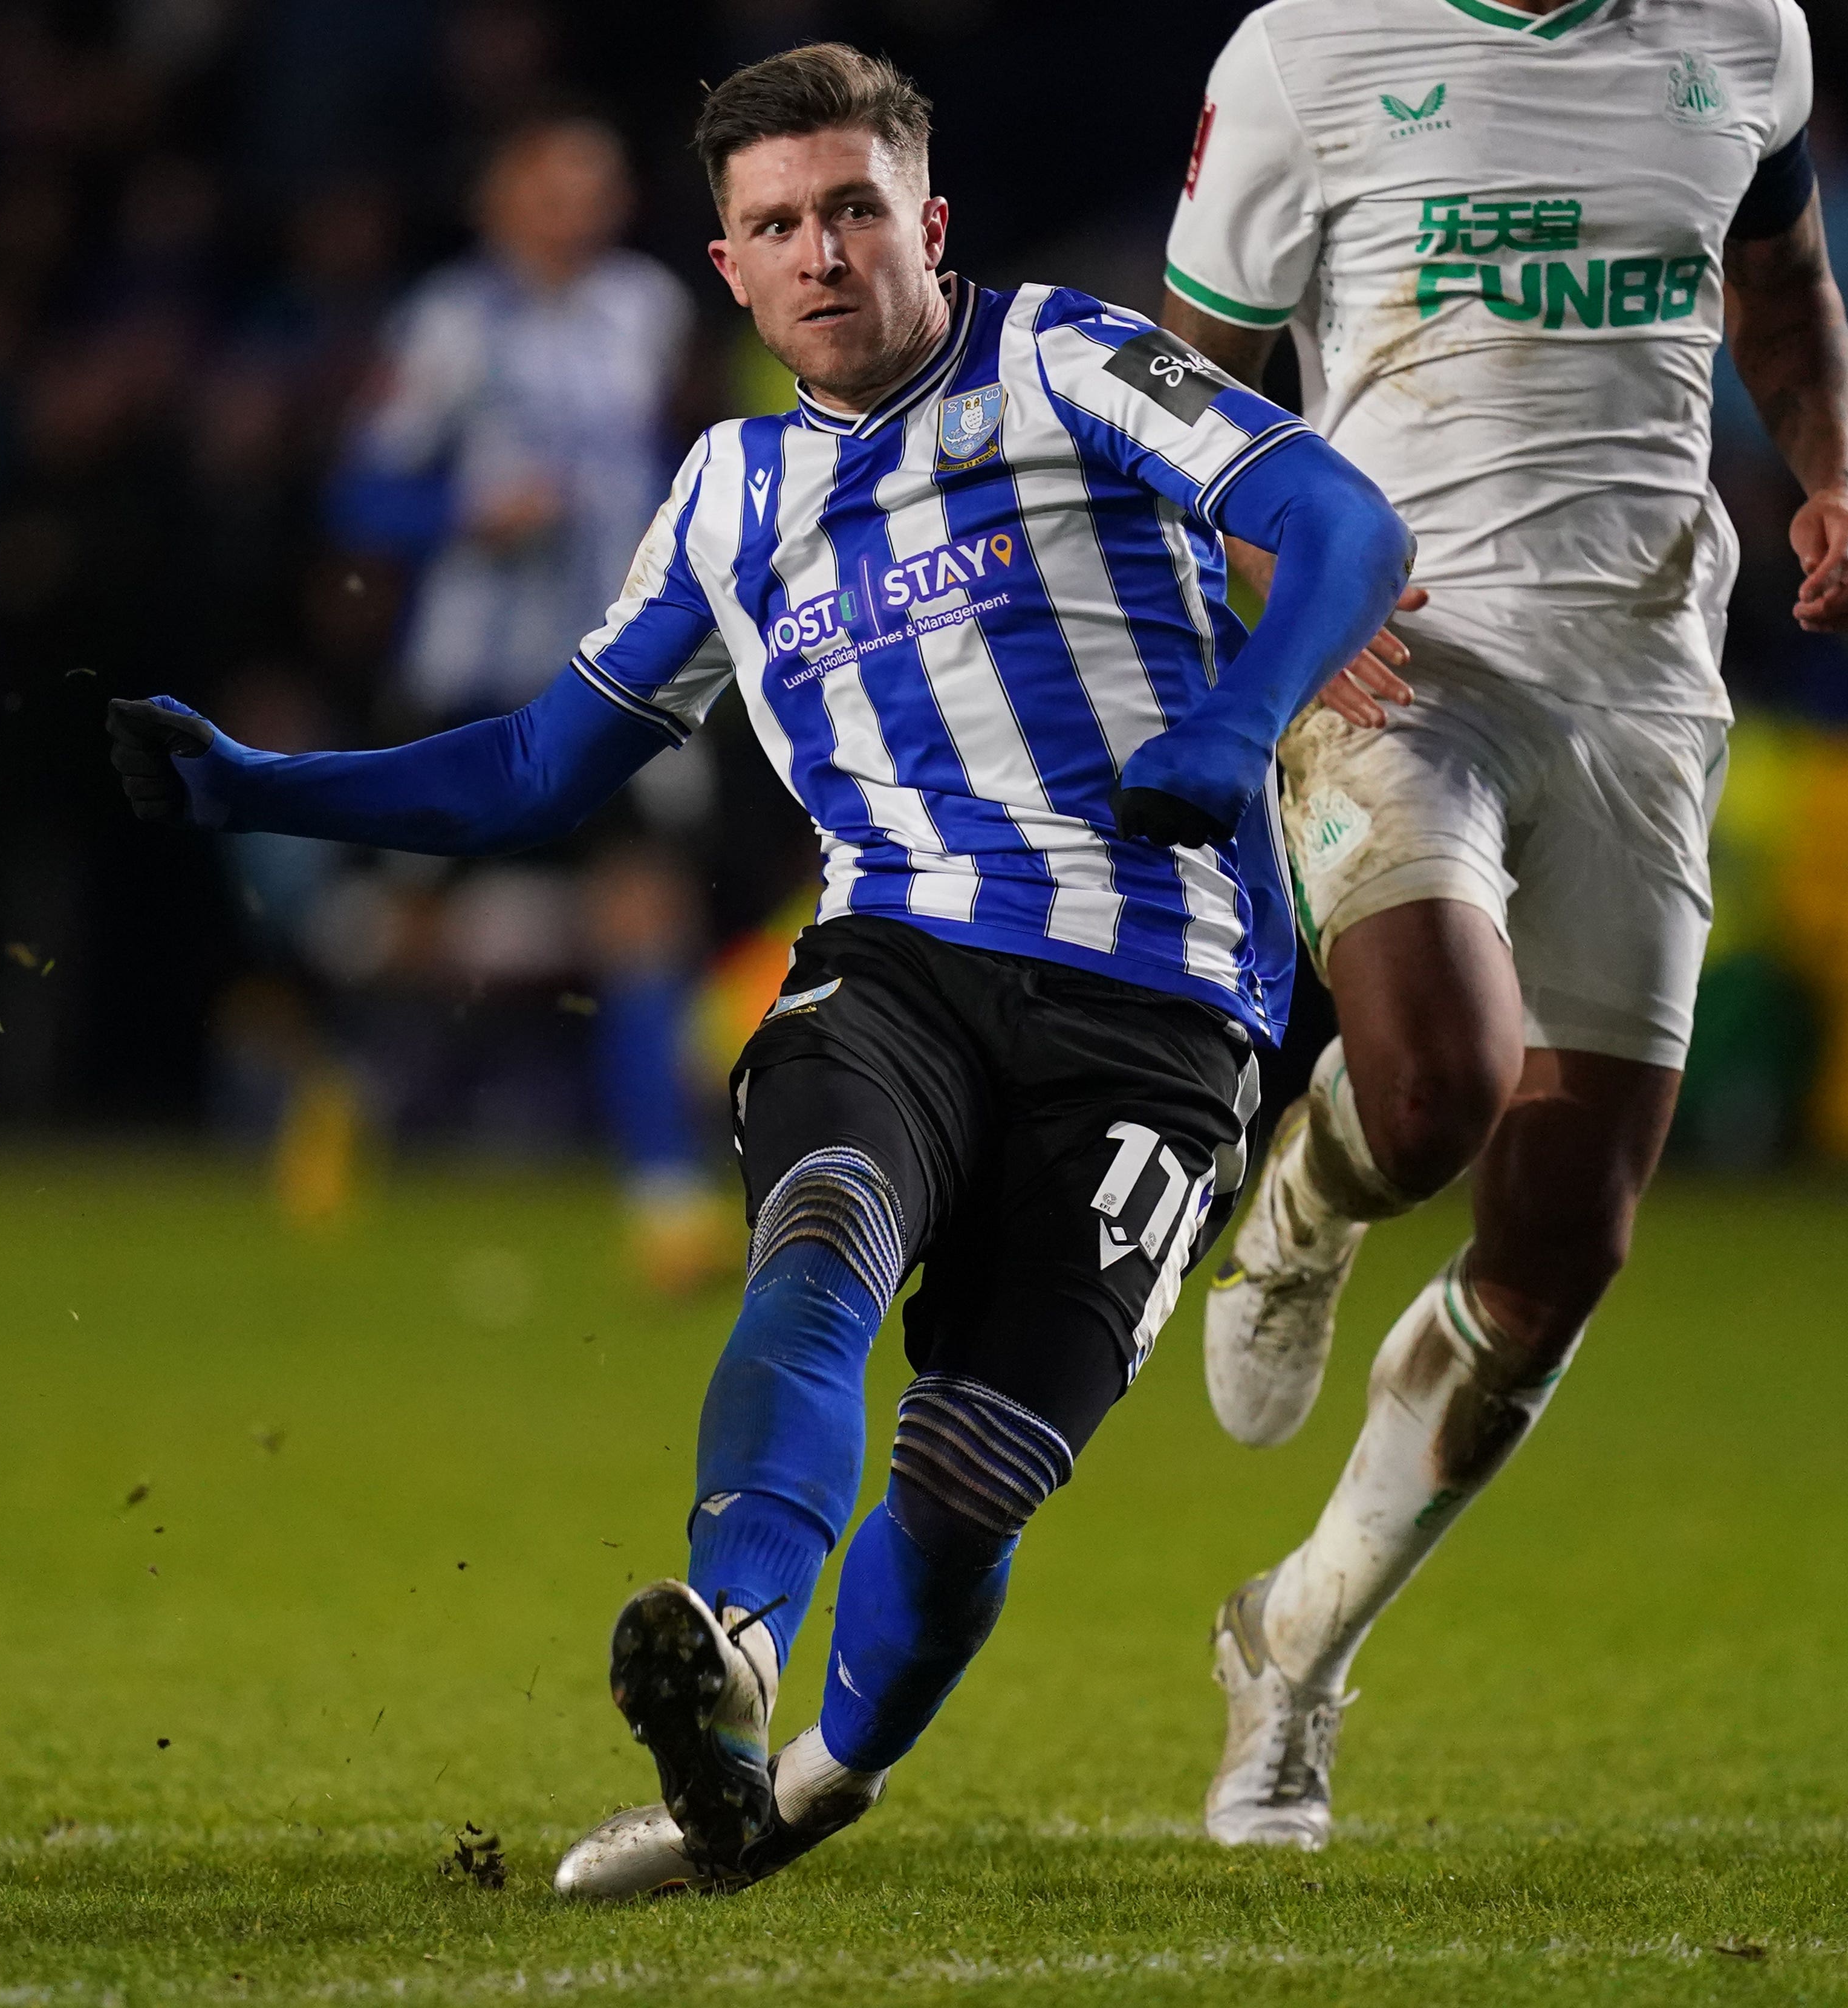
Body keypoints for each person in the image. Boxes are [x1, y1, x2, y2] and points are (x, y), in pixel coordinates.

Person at [106, 44, 1413, 1897]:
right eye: (776, 224)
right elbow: (540, 762)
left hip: (1163, 1004)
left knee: (965, 1491)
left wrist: (1236, 712)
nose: (821, 253)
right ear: (726, 268)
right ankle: (728, 1643)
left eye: (853, 210)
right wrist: (264, 790)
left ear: (924, 223)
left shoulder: (1061, 359)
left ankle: (806, 1780)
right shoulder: (725, 495)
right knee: (818, 1236)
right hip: (891, 961)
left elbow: (1345, 522)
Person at [1159, 0, 1848, 1847]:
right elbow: (1190, 379)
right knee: (1432, 1091)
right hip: (1403, 666)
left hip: (1641, 679)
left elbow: (1782, 289)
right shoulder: (1308, 48)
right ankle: (1302, 1208)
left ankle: (1294, 1646)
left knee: (1562, 1236)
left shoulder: (1746, 37)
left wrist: (1833, 486)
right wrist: (1276, 580)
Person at [329, 115, 723, 1282]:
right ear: (500, 199)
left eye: (595, 185)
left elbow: (670, 471)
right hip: (466, 680)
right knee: (402, 932)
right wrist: (465, 516)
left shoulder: (644, 311)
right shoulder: (449, 326)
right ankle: (338, 1103)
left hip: (606, 680)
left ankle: (665, 1199)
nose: (578, 208)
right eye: (553, 186)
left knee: (644, 917)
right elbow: (360, 496)